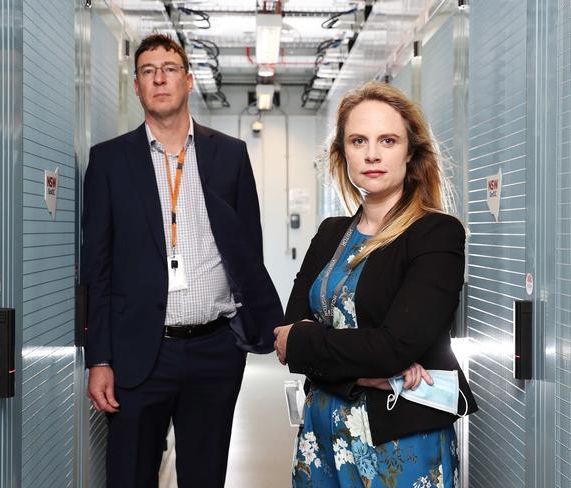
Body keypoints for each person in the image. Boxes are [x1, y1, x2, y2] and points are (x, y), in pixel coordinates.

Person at [81, 34, 283, 487]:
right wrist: (100, 359)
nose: (159, 78)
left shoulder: (228, 155)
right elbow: (95, 270)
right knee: (129, 476)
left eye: (169, 68)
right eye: (148, 70)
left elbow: (248, 249)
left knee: (205, 477)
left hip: (215, 351)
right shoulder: (109, 162)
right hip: (137, 355)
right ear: (136, 86)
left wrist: (246, 330)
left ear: (188, 80)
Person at [273, 81, 478, 487]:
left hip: (399, 443)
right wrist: (369, 371)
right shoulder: (331, 234)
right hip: (321, 437)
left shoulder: (435, 234)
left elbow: (395, 347)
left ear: (410, 152)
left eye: (387, 140)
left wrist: (320, 347)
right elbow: (286, 335)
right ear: (342, 153)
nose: (372, 154)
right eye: (357, 140)